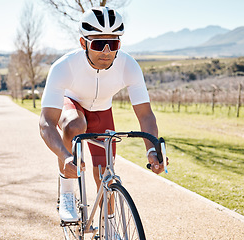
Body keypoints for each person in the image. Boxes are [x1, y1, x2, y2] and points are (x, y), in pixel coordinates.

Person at [39, 6, 167, 223]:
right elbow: (46, 124)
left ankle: (110, 227)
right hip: (72, 104)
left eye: (114, 43)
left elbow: (145, 115)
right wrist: (66, 156)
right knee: (74, 124)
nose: (107, 51)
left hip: (102, 112)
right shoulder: (64, 67)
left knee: (105, 176)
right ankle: (67, 191)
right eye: (99, 44)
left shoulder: (129, 66)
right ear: (83, 43)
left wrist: (152, 150)